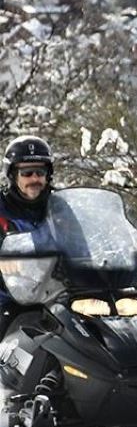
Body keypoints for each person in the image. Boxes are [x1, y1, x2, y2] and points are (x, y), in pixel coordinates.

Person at [0, 136, 56, 335]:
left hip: (57, 298)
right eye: (27, 173)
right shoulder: (1, 210)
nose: (34, 179)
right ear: (13, 175)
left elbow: (83, 241)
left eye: (40, 172)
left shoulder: (61, 209)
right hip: (10, 301)